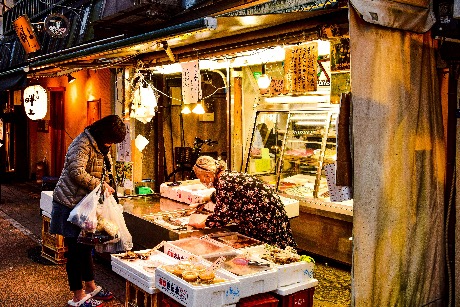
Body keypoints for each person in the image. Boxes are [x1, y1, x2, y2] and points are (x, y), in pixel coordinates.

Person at [50, 115, 126, 307]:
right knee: (75, 251)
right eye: (110, 140)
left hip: (85, 205)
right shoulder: (83, 143)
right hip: (70, 205)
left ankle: (90, 287)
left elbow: (102, 171)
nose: (111, 144)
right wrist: (100, 185)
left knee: (85, 247)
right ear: (102, 133)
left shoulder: (101, 145)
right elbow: (76, 171)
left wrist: (107, 185)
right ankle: (77, 296)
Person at [188, 155, 297, 249]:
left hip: (264, 217)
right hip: (271, 211)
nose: (201, 181)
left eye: (200, 177)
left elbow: (221, 217)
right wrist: (205, 199)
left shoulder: (224, 182)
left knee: (270, 250)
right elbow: (229, 195)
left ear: (207, 175)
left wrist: (200, 224)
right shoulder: (227, 176)